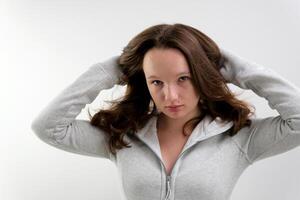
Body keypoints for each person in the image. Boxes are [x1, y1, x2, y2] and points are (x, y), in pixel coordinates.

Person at [31, 23, 300, 200]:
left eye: (184, 78)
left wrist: (238, 70)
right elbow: (47, 128)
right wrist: (109, 71)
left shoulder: (239, 137)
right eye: (156, 82)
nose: (170, 96)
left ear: (203, 75)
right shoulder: (123, 136)